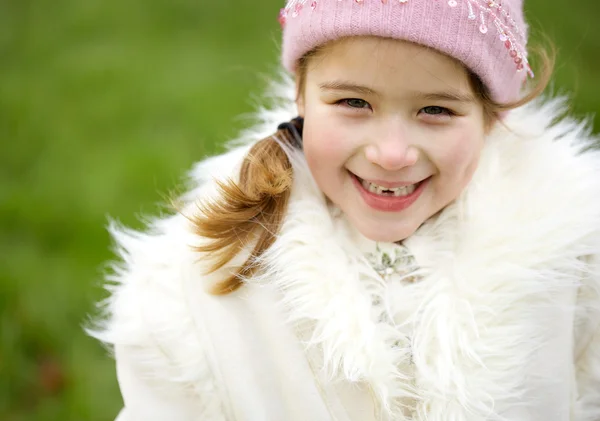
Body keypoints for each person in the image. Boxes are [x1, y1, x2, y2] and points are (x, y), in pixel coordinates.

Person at [90, 0, 600, 419]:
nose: (391, 153)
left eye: (436, 110)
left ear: (490, 118)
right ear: (302, 97)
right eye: (355, 103)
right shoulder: (205, 283)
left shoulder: (574, 261)